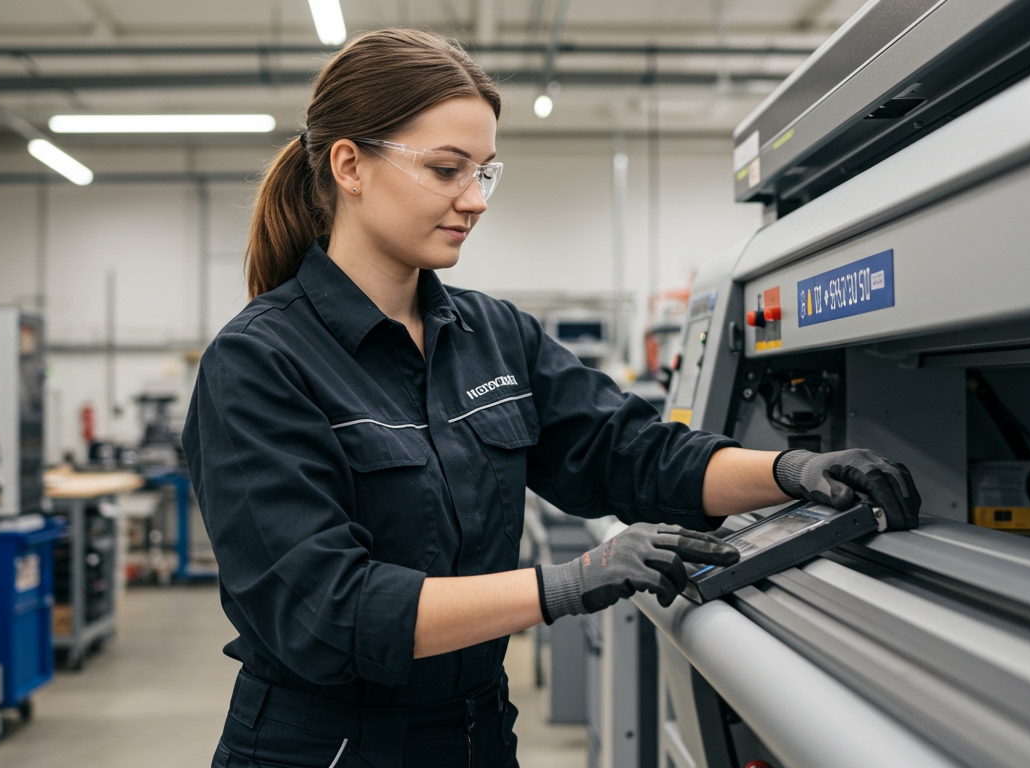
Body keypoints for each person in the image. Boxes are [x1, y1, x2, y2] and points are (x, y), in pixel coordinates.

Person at [183, 28, 921, 768]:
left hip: (475, 730)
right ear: (350, 164)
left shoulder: (493, 335)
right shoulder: (260, 362)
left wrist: (790, 473)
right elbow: (324, 611)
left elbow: (628, 452)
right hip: (326, 746)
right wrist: (568, 583)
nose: (474, 200)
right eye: (447, 169)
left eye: (485, 172)